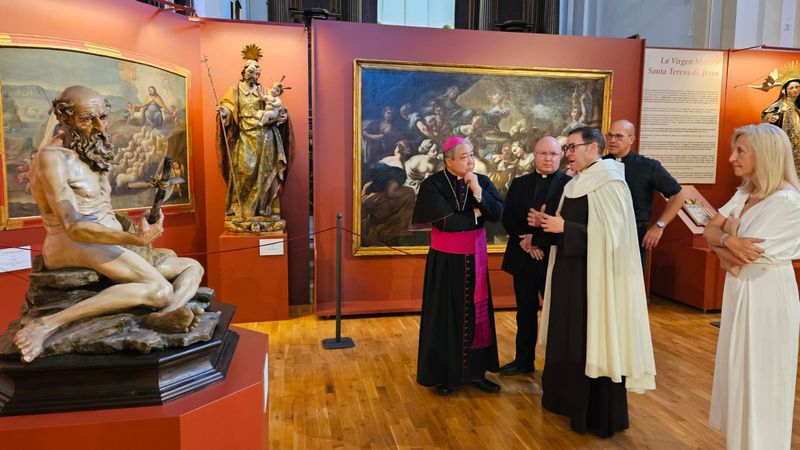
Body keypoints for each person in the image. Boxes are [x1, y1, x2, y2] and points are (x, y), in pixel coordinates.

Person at [13, 85, 204, 363]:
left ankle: (160, 318)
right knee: (161, 289)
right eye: (87, 119)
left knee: (192, 267)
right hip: (72, 243)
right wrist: (136, 241)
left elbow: (102, 208)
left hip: (106, 239)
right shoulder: (51, 159)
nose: (99, 126)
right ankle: (47, 324)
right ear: (65, 118)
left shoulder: (92, 151)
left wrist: (131, 226)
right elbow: (73, 225)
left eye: (102, 116)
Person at [536, 127, 656, 437]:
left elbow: (616, 237)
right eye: (567, 148)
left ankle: (591, 413)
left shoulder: (611, 182)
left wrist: (567, 229)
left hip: (595, 283)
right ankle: (563, 399)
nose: (568, 153)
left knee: (589, 340)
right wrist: (547, 224)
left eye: (573, 147)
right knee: (567, 337)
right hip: (569, 275)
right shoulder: (576, 182)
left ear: (594, 148)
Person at [704, 123, 800, 450]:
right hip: (743, 290)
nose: (732, 157)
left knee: (763, 374)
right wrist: (729, 238)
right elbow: (710, 233)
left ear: (766, 154)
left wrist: (725, 238)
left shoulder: (786, 201)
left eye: (740, 150)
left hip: (767, 294)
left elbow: (741, 258)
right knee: (741, 370)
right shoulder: (746, 191)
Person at [412, 136, 504, 395]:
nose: (471, 160)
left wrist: (477, 192)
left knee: (477, 315)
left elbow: (497, 214)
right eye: (464, 157)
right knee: (444, 317)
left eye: (472, 155)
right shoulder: (434, 185)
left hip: (475, 260)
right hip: (445, 263)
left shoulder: (482, 182)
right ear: (448, 160)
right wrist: (476, 214)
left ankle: (475, 373)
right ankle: (444, 375)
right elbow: (447, 223)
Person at [498, 136, 570, 376]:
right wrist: (526, 240)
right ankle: (523, 361)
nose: (548, 158)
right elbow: (508, 217)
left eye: (553, 154)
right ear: (534, 155)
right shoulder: (519, 183)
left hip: (553, 259)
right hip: (523, 257)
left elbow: (568, 224)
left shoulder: (571, 185)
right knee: (525, 312)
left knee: (557, 315)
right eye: (543, 154)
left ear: (561, 156)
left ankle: (557, 366)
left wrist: (539, 241)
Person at [217, 51, 292, 222]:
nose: (253, 75)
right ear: (243, 72)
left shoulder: (264, 90)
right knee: (244, 170)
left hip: (264, 137)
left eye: (256, 72)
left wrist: (282, 116)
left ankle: (262, 209)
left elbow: (278, 110)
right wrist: (224, 112)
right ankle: (240, 209)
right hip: (244, 135)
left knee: (264, 174)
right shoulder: (235, 90)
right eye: (250, 71)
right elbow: (228, 108)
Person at [602, 119, 686, 269]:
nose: (613, 140)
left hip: (634, 235)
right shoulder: (598, 165)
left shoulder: (648, 166)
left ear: (631, 139)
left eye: (619, 136)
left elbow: (678, 195)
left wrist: (659, 226)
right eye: (610, 135)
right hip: (602, 233)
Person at [761, 78, 800, 178]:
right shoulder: (781, 105)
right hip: (784, 142)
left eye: (797, 87)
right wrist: (770, 118)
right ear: (785, 90)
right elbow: (766, 115)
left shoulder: (798, 106)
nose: (795, 90)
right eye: (791, 88)